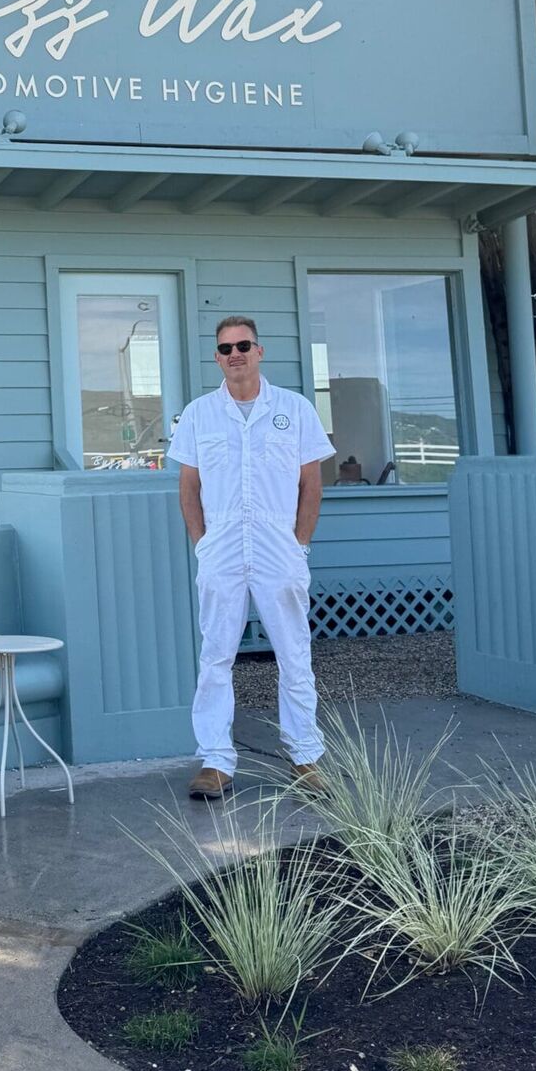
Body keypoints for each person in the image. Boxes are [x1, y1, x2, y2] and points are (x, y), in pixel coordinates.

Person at [167, 316, 335, 800]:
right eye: (225, 348)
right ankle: (216, 761)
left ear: (259, 351)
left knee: (294, 654)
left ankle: (305, 756)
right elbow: (189, 486)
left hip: (278, 548)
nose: (235, 354)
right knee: (215, 656)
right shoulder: (199, 414)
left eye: (243, 345)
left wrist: (299, 543)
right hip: (221, 549)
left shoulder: (294, 409)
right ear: (217, 358)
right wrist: (202, 542)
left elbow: (311, 484)